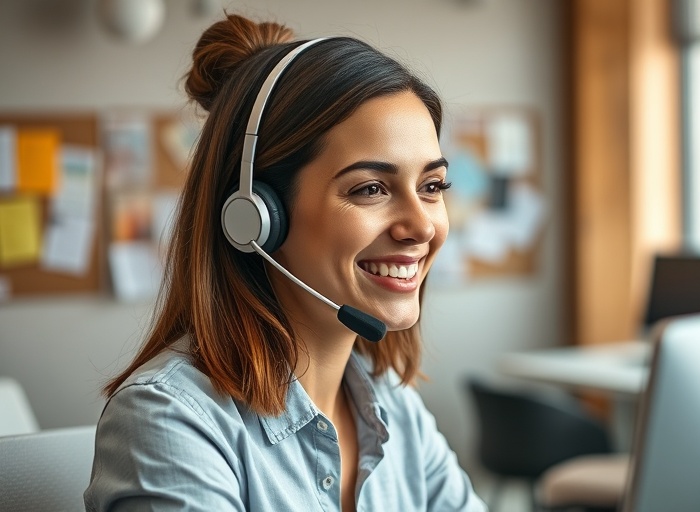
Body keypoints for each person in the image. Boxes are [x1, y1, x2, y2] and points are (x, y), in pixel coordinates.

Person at [84, 13, 486, 511]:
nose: (422, 227)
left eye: (432, 187)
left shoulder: (394, 410)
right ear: (255, 217)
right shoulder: (171, 419)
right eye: (370, 189)